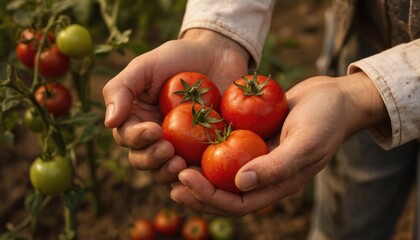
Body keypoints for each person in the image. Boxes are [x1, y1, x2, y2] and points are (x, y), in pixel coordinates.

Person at [102, 0, 420, 239]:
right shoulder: (210, 109)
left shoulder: (207, 120)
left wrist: (363, 94)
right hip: (364, 28)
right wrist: (216, 32)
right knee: (351, 196)